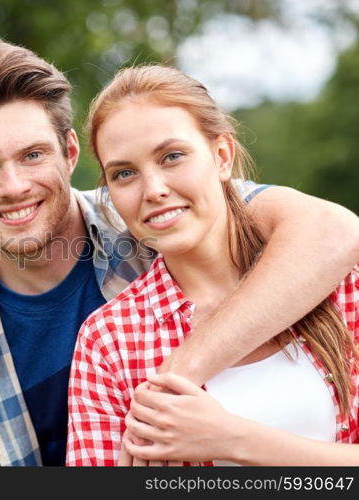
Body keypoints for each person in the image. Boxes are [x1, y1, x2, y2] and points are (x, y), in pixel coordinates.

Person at [0, 34, 359, 466]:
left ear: (68, 153)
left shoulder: (165, 217)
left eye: (32, 155)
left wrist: (169, 382)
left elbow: (333, 233)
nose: (14, 186)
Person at [66, 64, 359, 466]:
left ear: (221, 156)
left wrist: (234, 439)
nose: (153, 190)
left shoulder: (339, 283)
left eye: (172, 156)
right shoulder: (109, 341)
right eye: (124, 173)